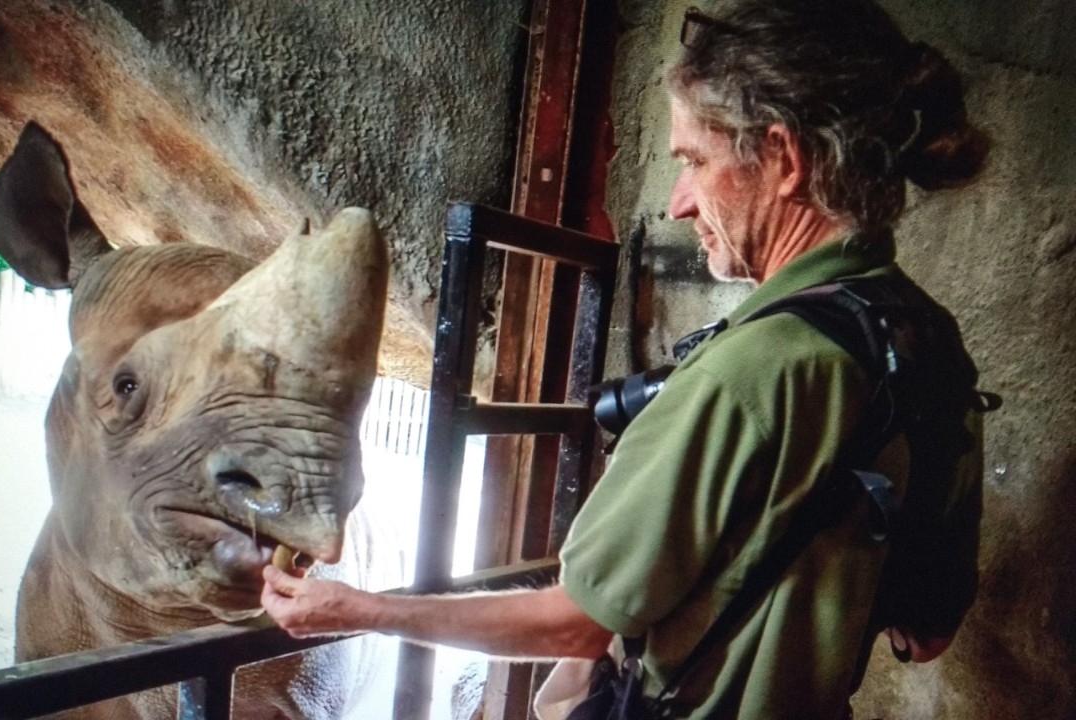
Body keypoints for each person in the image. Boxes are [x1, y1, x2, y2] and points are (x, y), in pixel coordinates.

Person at [261, 1, 988, 717]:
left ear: (783, 159)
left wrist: (360, 609)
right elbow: (924, 634)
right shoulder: (925, 339)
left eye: (695, 161)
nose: (679, 203)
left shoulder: (753, 375)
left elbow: (575, 624)